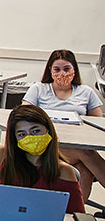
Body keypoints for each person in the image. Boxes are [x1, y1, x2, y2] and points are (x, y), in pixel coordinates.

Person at [23, 49, 104, 199]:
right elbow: (23, 116)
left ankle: (76, 214)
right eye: (57, 69)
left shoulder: (86, 92)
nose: (62, 73)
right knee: (86, 153)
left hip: (76, 141)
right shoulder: (38, 89)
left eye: (67, 69)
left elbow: (98, 125)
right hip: (46, 144)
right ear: (50, 70)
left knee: (84, 170)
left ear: (74, 69)